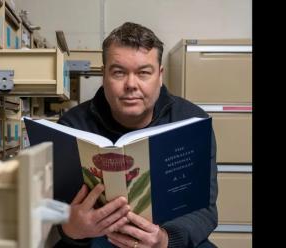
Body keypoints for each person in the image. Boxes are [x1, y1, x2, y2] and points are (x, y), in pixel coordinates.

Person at [54, 22, 218, 248]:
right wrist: (69, 228)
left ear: (160, 76)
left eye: (143, 73)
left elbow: (206, 210)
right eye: (119, 72)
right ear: (104, 75)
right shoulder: (71, 126)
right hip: (94, 240)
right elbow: (52, 208)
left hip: (166, 236)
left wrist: (165, 240)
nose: (131, 84)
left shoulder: (193, 122)